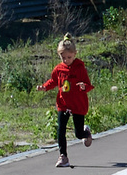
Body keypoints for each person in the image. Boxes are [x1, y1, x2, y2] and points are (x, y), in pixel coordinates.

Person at [39, 35, 94, 167]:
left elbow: (88, 84)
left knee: (78, 134)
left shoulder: (79, 68)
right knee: (61, 129)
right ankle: (63, 156)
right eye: (63, 57)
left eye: (69, 57)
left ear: (74, 54)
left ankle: (85, 133)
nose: (66, 60)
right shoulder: (59, 69)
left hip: (78, 104)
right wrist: (45, 87)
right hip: (63, 103)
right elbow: (53, 81)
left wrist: (84, 86)